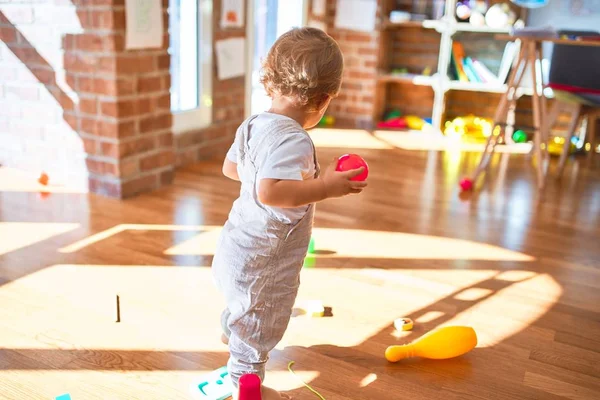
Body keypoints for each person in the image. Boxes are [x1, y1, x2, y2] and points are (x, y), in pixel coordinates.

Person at [212, 27, 367, 400]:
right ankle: (243, 383)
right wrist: (325, 187)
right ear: (324, 98)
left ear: (271, 82)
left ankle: (232, 330)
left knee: (242, 305)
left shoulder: (253, 124)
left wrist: (268, 173)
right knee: (262, 320)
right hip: (265, 261)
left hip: (235, 246)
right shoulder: (294, 138)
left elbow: (232, 169)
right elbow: (270, 191)